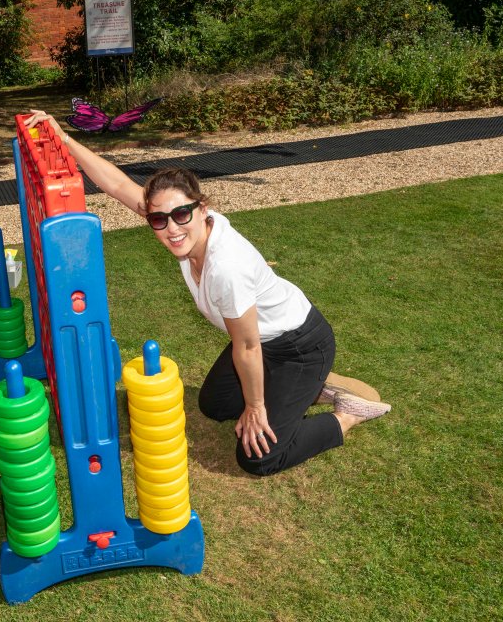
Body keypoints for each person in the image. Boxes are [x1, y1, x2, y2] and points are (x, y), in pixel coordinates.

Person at [24, 110, 391, 476]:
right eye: (158, 219)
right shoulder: (182, 228)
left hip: (301, 345)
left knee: (259, 457)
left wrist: (257, 406)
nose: (171, 228)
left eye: (181, 214)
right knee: (215, 404)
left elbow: (246, 347)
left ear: (202, 209)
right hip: (265, 343)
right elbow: (119, 185)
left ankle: (345, 415)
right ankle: (309, 389)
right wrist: (66, 140)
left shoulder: (225, 267)